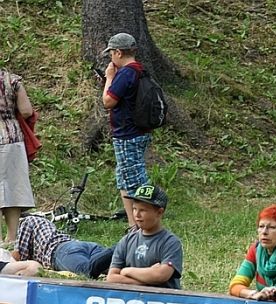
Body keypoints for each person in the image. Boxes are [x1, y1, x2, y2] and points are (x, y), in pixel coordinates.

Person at [102, 33, 152, 228]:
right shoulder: (139, 70)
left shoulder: (125, 73)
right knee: (124, 177)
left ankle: (146, 224)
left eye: (111, 54)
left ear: (118, 52)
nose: (111, 58)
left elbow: (108, 101)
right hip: (138, 131)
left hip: (127, 134)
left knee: (135, 180)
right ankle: (133, 225)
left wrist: (109, 78)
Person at [228, 204, 276, 302]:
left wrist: (272, 294)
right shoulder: (256, 249)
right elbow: (235, 286)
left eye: (272, 227)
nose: (264, 232)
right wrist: (254, 294)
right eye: (261, 226)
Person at [107, 185, 182, 289]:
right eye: (134, 209)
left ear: (159, 212)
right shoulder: (127, 241)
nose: (137, 215)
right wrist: (147, 280)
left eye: (143, 210)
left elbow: (161, 275)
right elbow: (112, 277)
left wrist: (127, 271)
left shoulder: (170, 242)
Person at [11, 215, 114, 279]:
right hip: (81, 245)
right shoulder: (45, 223)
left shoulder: (26, 221)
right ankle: (117, 251)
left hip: (61, 251)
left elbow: (20, 256)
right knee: (111, 269)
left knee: (86, 271)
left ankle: (118, 247)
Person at [0, 68, 35, 246]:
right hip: (12, 138)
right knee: (12, 189)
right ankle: (12, 237)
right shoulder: (11, 80)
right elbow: (27, 110)